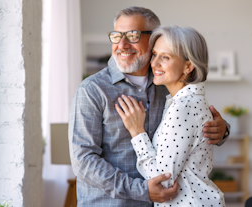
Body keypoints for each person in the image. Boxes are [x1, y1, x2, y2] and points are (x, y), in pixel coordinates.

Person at [69, 7, 229, 207]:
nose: (122, 44)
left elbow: (193, 124)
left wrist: (222, 131)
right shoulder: (92, 90)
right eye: (117, 36)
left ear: (153, 39)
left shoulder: (168, 82)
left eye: (132, 35)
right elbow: (84, 161)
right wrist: (142, 191)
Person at [115, 25, 225, 207]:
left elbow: (162, 180)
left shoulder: (183, 107)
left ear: (188, 66)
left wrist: (137, 133)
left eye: (165, 57)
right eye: (155, 54)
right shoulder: (180, 102)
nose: (154, 63)